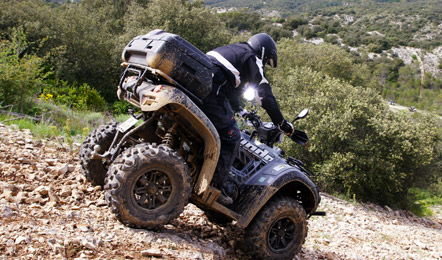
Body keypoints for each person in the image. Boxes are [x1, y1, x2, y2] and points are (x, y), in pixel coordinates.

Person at [200, 33, 294, 205]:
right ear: (264, 52)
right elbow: (265, 96)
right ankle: (212, 187)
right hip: (212, 92)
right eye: (267, 61)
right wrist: (282, 123)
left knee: (217, 127)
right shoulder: (253, 58)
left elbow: (228, 84)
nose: (264, 64)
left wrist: (240, 111)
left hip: (203, 86)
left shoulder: (235, 50)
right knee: (232, 137)